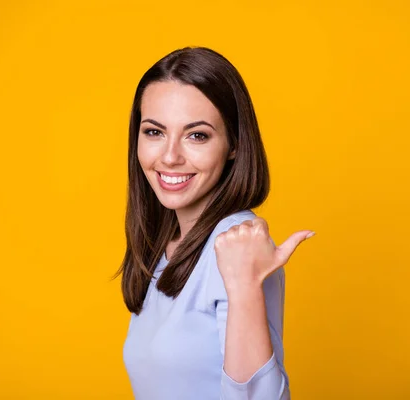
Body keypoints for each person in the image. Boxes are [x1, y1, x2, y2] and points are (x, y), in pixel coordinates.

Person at [114, 46, 314, 400]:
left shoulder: (237, 243)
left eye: (197, 135)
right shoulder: (167, 243)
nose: (170, 156)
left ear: (233, 144)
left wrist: (245, 285)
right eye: (154, 132)